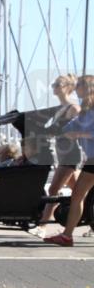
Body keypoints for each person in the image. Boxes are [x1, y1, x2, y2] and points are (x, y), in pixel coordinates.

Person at [45, 75, 94, 246]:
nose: (76, 87)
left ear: (88, 88)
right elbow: (68, 127)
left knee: (78, 195)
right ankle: (67, 236)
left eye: (79, 84)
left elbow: (79, 131)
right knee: (78, 195)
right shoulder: (86, 111)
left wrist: (79, 134)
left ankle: (67, 236)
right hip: (91, 160)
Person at [37, 74, 82, 236]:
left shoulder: (74, 109)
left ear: (66, 87)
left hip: (71, 155)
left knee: (54, 190)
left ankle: (42, 227)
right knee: (79, 191)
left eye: (57, 84)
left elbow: (80, 130)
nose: (53, 87)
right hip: (61, 155)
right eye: (53, 84)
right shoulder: (59, 110)